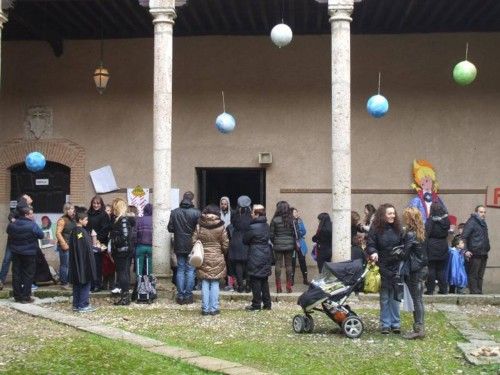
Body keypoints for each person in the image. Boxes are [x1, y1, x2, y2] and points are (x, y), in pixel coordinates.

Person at [366, 203, 403, 335]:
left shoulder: (399, 229)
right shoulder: (375, 228)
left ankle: (396, 323)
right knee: (385, 297)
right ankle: (385, 324)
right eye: (389, 213)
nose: (392, 215)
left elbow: (403, 244)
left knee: (396, 296)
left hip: (396, 265)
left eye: (393, 213)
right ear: (383, 215)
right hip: (382, 265)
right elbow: (370, 244)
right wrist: (373, 252)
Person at [192, 204, 229, 316]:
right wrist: (222, 252)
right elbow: (226, 243)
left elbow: (193, 241)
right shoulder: (221, 226)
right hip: (217, 255)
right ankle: (214, 308)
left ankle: (205, 308)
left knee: (204, 281)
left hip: (203, 257)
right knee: (214, 282)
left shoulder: (199, 226)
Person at [168, 191, 201, 305]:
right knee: (191, 270)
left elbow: (170, 228)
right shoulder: (196, 212)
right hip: (191, 244)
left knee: (180, 269)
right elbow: (199, 230)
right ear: (192, 199)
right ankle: (188, 295)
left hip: (179, 244)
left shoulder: (174, 212)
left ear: (183, 198)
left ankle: (180, 295)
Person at [7, 204, 44, 303]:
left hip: (15, 252)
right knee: (28, 275)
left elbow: (8, 231)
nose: (33, 215)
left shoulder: (12, 224)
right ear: (26, 215)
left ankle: (17, 296)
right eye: (31, 214)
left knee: (16, 274)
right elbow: (41, 235)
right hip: (29, 253)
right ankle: (26, 296)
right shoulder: (32, 225)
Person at [401, 207, 428, 340]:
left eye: (406, 217)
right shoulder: (422, 231)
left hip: (414, 270)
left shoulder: (410, 234)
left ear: (410, 219)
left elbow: (404, 254)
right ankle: (419, 327)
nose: (403, 219)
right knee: (419, 300)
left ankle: (419, 329)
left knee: (416, 299)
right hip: (422, 268)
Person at [243, 204, 272, 311]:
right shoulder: (267, 225)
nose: (251, 214)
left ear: (257, 214)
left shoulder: (252, 227)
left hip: (255, 254)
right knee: (264, 280)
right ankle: (267, 304)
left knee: (255, 280)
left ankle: (256, 305)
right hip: (266, 253)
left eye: (253, 212)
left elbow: (245, 240)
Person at [68, 207, 97, 313]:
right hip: (83, 264)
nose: (87, 221)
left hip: (77, 264)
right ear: (80, 220)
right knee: (85, 283)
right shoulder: (80, 232)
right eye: (86, 220)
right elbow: (82, 248)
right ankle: (83, 304)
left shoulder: (74, 231)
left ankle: (76, 304)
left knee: (77, 284)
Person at [110, 198, 133, 305]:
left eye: (114, 207)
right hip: (122, 250)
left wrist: (114, 240)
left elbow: (125, 235)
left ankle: (125, 298)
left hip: (122, 251)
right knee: (124, 274)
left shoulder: (122, 219)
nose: (112, 209)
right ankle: (125, 297)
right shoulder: (121, 219)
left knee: (122, 274)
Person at [462, 205, 490, 294]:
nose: (483, 214)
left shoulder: (483, 223)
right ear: (476, 212)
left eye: (484, 212)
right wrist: (465, 250)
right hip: (474, 253)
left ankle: (479, 292)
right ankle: (474, 293)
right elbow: (464, 237)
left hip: (483, 253)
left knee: (480, 275)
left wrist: (487, 247)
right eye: (481, 212)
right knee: (473, 274)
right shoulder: (471, 222)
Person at [424, 202, 450, 295]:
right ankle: (443, 289)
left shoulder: (430, 221)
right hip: (443, 245)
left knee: (431, 269)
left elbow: (427, 234)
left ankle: (430, 290)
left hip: (432, 246)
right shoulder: (446, 220)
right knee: (442, 269)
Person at [86, 195, 110, 292]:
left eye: (98, 203)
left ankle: (97, 284)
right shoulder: (88, 213)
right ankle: (90, 284)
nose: (96, 205)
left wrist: (96, 240)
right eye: (94, 203)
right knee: (89, 264)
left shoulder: (104, 215)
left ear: (101, 204)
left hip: (99, 243)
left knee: (97, 264)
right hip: (89, 242)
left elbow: (105, 229)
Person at [270, 201, 295, 293]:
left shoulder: (275, 220)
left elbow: (271, 235)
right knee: (289, 265)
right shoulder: (292, 219)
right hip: (290, 245)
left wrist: (275, 242)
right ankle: (289, 287)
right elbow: (295, 233)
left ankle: (278, 287)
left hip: (278, 245)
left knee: (278, 264)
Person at [228, 196, 252, 293]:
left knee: (238, 264)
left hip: (236, 240)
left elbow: (232, 225)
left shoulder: (234, 214)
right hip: (247, 240)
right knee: (247, 264)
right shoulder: (250, 215)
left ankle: (240, 286)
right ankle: (248, 286)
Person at [55, 203, 76, 290]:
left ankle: (69, 281)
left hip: (72, 245)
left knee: (70, 264)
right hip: (65, 246)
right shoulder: (62, 220)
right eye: (70, 209)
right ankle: (64, 283)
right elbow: (58, 233)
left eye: (73, 209)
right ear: (66, 210)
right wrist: (63, 244)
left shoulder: (73, 220)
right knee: (64, 265)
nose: (72, 211)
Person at [220, 196, 235, 292]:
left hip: (230, 239)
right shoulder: (218, 214)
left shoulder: (232, 213)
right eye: (222, 204)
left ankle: (229, 282)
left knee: (229, 262)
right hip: (220, 239)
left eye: (225, 204)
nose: (223, 205)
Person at [291, 207, 309, 286]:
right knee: (292, 262)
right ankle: (291, 280)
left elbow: (304, 231)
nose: (296, 214)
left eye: (296, 212)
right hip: (291, 244)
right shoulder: (288, 222)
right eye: (294, 212)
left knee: (302, 261)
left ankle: (305, 279)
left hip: (300, 243)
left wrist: (298, 233)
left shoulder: (300, 221)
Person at [0, 211, 17, 290]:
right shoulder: (16, 211)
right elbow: (10, 216)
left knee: (17, 263)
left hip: (20, 244)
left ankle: (17, 281)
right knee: (6, 261)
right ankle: (1, 280)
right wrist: (14, 220)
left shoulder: (28, 212)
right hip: (11, 243)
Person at [135, 203, 153, 276]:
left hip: (140, 246)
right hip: (151, 246)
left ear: (144, 211)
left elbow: (135, 233)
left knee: (139, 266)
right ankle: (149, 284)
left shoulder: (139, 220)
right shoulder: (154, 220)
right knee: (149, 267)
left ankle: (139, 284)